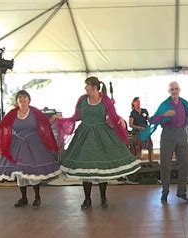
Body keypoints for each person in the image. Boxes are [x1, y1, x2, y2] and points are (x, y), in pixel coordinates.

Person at [55, 77, 140, 209]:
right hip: (84, 135)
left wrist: (121, 119)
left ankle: (103, 197)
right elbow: (77, 117)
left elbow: (113, 116)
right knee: (86, 168)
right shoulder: (82, 100)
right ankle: (87, 199)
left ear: (94, 87)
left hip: (102, 135)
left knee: (102, 169)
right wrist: (62, 119)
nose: (85, 88)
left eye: (87, 85)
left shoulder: (105, 100)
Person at [0, 90, 61, 207]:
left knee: (33, 171)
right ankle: (24, 198)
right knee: (19, 172)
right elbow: (2, 125)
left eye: (24, 99)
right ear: (17, 101)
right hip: (17, 145)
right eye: (20, 99)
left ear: (29, 101)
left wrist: (54, 118)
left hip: (33, 145)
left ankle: (37, 197)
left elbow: (46, 122)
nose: (22, 101)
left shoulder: (35, 112)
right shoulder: (12, 113)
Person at [140, 81, 188, 203]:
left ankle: (181, 191)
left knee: (186, 163)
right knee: (166, 165)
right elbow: (152, 119)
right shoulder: (165, 104)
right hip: (168, 134)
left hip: (181, 134)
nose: (174, 91)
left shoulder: (184, 103)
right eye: (172, 89)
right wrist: (164, 115)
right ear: (169, 91)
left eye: (176, 88)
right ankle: (165, 191)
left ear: (179, 90)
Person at [129, 97, 153, 161]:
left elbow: (149, 119)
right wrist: (139, 128)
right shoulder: (133, 113)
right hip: (137, 131)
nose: (138, 103)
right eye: (136, 101)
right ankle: (138, 161)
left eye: (139, 101)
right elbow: (130, 124)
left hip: (145, 129)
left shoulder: (144, 111)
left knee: (150, 145)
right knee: (138, 147)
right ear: (133, 103)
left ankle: (150, 161)